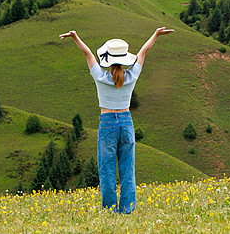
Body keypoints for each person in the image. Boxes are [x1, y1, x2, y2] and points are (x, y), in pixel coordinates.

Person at [58, 27, 174, 214]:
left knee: (107, 170)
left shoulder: (100, 76)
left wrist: (75, 37)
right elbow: (143, 52)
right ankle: (127, 209)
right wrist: (156, 34)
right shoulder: (131, 76)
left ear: (108, 60)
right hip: (127, 123)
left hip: (107, 123)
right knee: (128, 169)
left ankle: (110, 210)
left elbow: (87, 53)